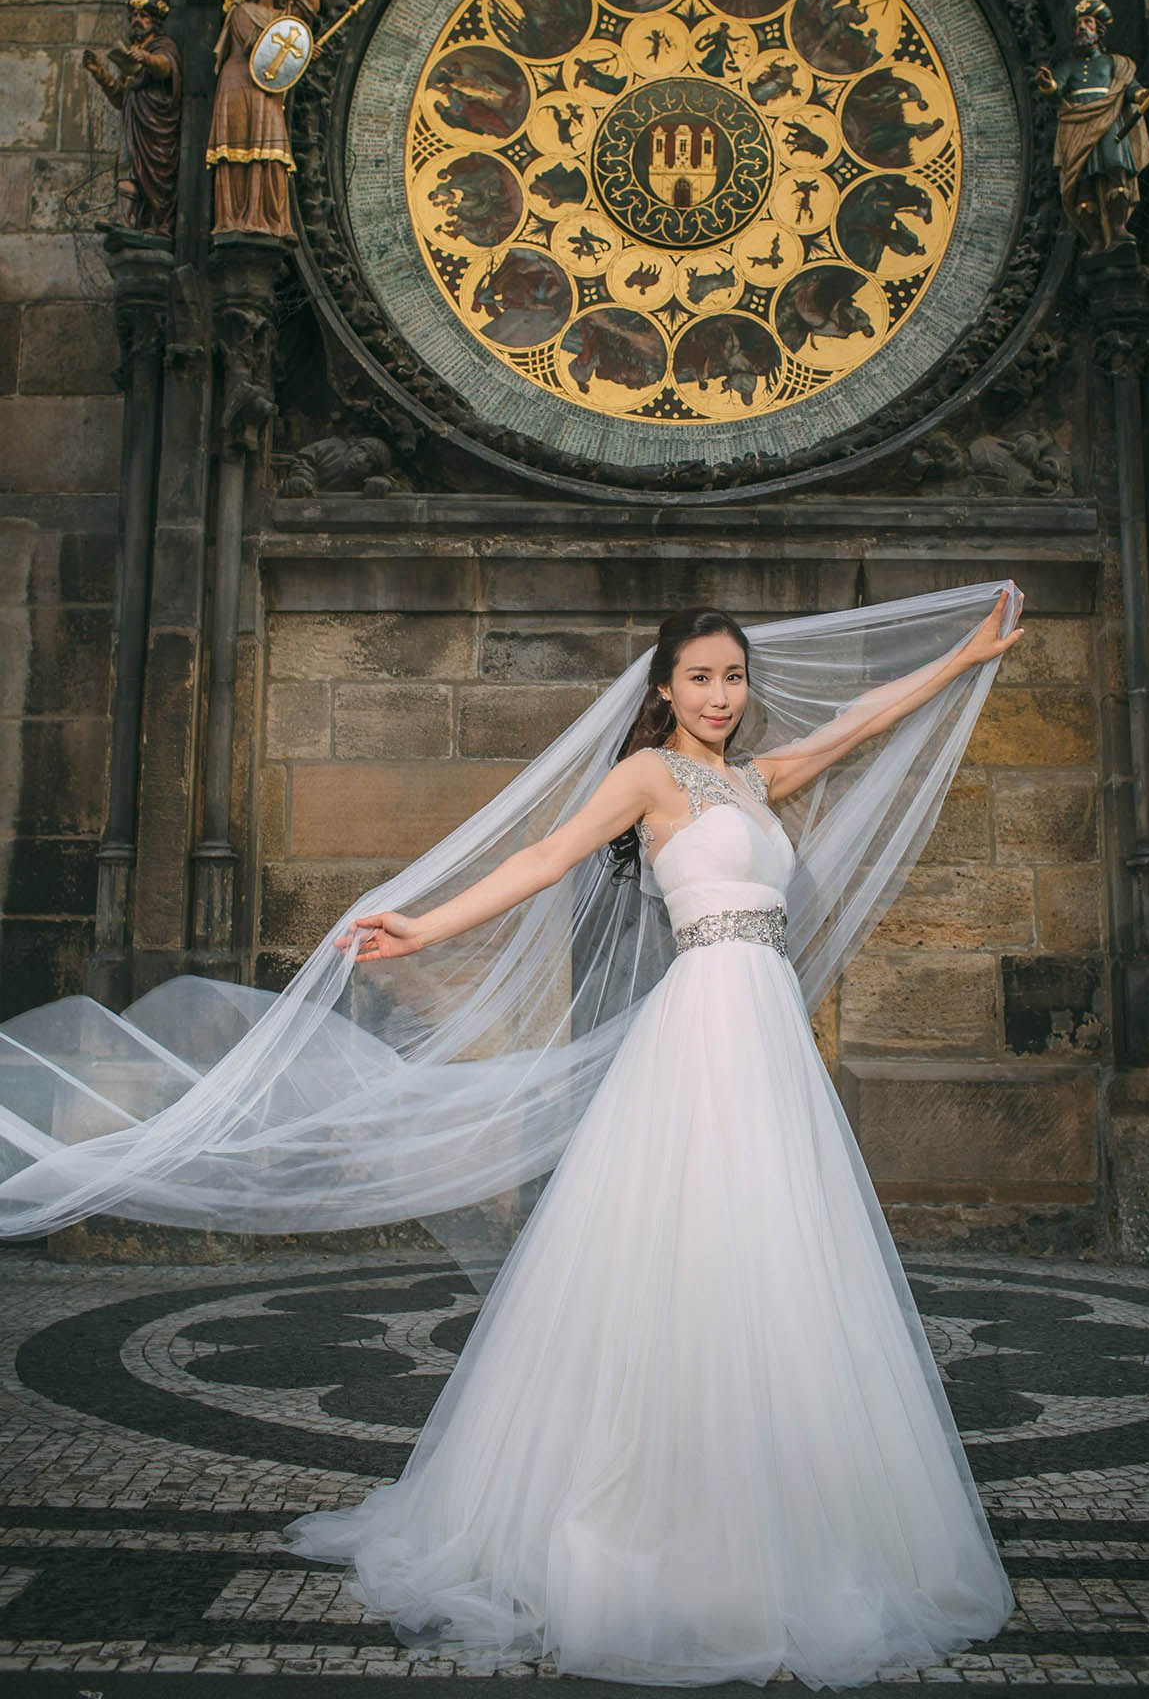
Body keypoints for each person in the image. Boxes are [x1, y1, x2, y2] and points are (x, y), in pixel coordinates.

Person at [0, 582, 1023, 1685]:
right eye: (699, 678)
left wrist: (964, 658)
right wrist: (421, 923)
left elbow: (860, 722)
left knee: (780, 1250)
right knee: (685, 1245)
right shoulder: (648, 776)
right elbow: (543, 859)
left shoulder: (759, 782)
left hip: (767, 1033)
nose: (720, 696)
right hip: (703, 1031)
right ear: (664, 688)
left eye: (733, 677)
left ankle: (792, 1514)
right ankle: (655, 1521)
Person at [207, 0, 318, 240]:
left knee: (271, 146)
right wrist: (299, 48)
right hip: (240, 82)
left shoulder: (285, 15)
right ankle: (235, 218)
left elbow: (310, 7)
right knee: (240, 146)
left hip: (267, 89)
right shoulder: (242, 11)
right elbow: (256, 46)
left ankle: (271, 219)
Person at [1035, 0, 1149, 253]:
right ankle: (1096, 239)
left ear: (1098, 29)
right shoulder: (1070, 65)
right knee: (1083, 183)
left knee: (1116, 169)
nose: (1082, 28)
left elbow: (1128, 88)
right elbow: (1057, 89)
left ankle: (1118, 228)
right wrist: (1048, 85)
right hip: (1078, 125)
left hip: (1108, 121)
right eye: (1079, 24)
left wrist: (1143, 95)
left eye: (1087, 23)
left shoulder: (1113, 63)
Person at [82, 0, 182, 235]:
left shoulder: (162, 45)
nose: (137, 20)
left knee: (156, 171)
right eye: (134, 15)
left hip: (156, 120)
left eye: (144, 15)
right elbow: (120, 96)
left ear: (154, 21)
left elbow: (166, 67)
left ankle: (159, 223)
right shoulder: (130, 52)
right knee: (127, 166)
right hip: (133, 116)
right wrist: (99, 73)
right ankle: (124, 219)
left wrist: (146, 58)